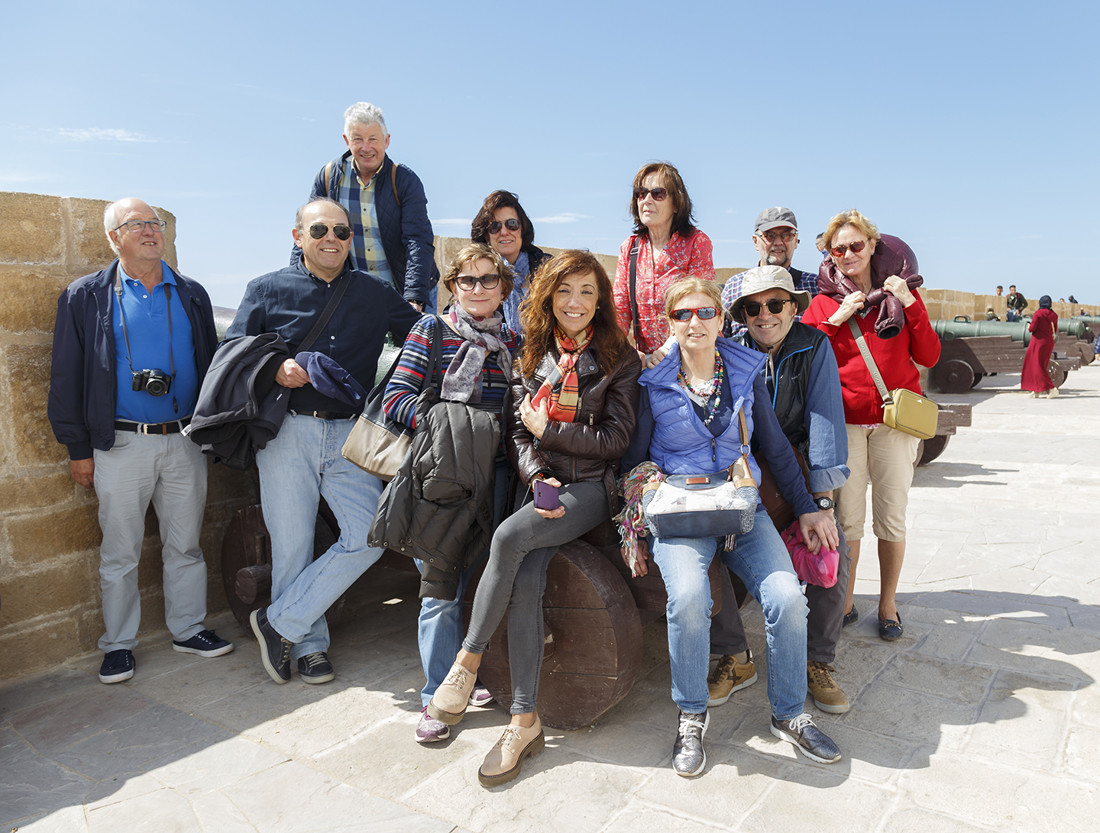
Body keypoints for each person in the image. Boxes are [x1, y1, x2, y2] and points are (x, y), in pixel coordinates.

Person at [426, 250, 641, 787]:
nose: (575, 302)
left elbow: (615, 441)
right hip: (545, 485)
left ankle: (467, 661)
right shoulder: (533, 355)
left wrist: (551, 434)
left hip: (592, 489)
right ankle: (524, 720)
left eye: (587, 291)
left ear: (601, 300)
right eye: (565, 290)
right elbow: (519, 433)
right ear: (548, 295)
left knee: (506, 536)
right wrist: (537, 472)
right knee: (526, 578)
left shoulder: (619, 359)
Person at [623, 277, 843, 776]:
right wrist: (637, 508)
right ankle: (691, 715)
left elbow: (776, 446)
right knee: (689, 599)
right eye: (683, 315)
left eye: (705, 313)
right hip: (681, 509)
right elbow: (634, 458)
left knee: (787, 596)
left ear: (722, 321)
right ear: (670, 324)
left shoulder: (745, 372)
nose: (695, 322)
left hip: (740, 506)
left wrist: (810, 506)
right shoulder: (653, 383)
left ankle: (788, 713)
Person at [233, 198, 420, 685]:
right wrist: (274, 367)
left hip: (348, 434)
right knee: (292, 545)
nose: (330, 238)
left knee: (368, 536)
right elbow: (230, 352)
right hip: (288, 431)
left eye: (340, 230)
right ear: (298, 236)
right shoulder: (267, 289)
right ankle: (307, 645)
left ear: (350, 239)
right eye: (319, 230)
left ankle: (277, 623)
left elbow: (422, 335)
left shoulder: (374, 294)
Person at [48, 198, 233, 684]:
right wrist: (77, 449)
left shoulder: (190, 293)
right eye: (138, 225)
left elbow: (212, 364)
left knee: (186, 546)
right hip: (120, 444)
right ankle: (118, 645)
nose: (151, 231)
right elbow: (66, 377)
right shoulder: (86, 296)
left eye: (156, 224)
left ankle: (189, 629)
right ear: (115, 238)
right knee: (120, 551)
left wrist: (210, 431)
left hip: (184, 441)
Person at [382, 243, 519, 743]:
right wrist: (451, 429)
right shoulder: (432, 331)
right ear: (453, 287)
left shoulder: (513, 340)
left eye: (489, 280)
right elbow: (397, 399)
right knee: (440, 586)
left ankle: (471, 674)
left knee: (483, 578)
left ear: (504, 288)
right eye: (468, 281)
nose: (478, 289)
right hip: (444, 476)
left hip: (501, 476)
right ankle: (436, 696)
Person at [709, 265, 852, 715]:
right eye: (753, 308)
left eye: (775, 304)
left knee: (831, 549)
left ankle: (817, 660)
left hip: (798, 471)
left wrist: (821, 502)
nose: (764, 315)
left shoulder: (814, 347)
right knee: (705, 547)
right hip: (745, 473)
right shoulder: (729, 353)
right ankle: (735, 654)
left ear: (793, 308)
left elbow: (825, 423)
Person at [801, 210, 941, 642]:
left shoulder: (896, 295)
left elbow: (931, 356)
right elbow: (804, 356)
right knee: (848, 521)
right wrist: (836, 317)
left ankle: (887, 603)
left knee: (891, 519)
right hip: (845, 425)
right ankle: (845, 601)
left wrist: (911, 303)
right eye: (837, 248)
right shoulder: (824, 302)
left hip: (892, 425)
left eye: (855, 245)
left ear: (872, 247)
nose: (847, 254)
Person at [299, 102, 439, 311]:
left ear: (386, 141)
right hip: (356, 295)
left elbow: (417, 240)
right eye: (358, 139)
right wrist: (296, 286)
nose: (366, 147)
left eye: (373, 139)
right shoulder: (329, 178)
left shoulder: (404, 180)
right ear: (347, 141)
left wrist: (414, 299)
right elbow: (308, 235)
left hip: (406, 291)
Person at [613, 162, 714, 366]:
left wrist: (668, 348)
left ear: (676, 203)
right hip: (645, 366)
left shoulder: (696, 243)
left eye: (657, 193)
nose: (647, 200)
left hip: (689, 361)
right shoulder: (630, 248)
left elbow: (700, 306)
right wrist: (625, 352)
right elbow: (620, 312)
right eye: (641, 193)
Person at [721, 207, 820, 338]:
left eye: (786, 235)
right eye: (769, 236)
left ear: (796, 241)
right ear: (756, 241)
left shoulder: (815, 286)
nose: (778, 242)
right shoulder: (734, 286)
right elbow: (720, 342)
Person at [471, 190, 551, 337]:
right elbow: (453, 312)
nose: (504, 232)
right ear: (486, 235)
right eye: (495, 227)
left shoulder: (548, 269)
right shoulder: (474, 270)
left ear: (523, 228)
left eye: (512, 224)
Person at [1021, 295, 1059, 398]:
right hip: (1049, 342)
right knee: (1041, 365)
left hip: (1037, 343)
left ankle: (1052, 389)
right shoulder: (1054, 315)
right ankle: (1036, 389)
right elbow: (1055, 329)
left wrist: (1029, 326)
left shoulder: (1038, 314)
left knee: (1036, 366)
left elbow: (1032, 328)